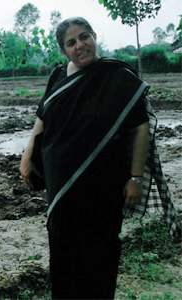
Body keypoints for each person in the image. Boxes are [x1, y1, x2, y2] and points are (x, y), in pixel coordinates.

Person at [20, 17, 179, 300]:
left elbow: (140, 128)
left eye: (84, 36)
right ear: (63, 50)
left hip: (103, 187)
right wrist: (27, 153)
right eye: (71, 42)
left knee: (100, 257)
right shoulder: (58, 76)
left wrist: (135, 178)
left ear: (94, 36)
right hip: (61, 187)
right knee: (63, 255)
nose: (80, 45)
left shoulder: (118, 78)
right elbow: (42, 118)